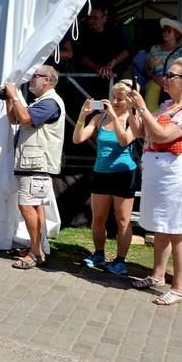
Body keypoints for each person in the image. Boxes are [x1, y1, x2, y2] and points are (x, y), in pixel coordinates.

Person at [126, 57, 182, 305]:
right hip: (156, 169)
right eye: (167, 74)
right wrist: (132, 109)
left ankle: (179, 288)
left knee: (176, 229)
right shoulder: (166, 105)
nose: (165, 78)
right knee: (160, 225)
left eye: (171, 75)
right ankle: (157, 275)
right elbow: (142, 133)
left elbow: (162, 134)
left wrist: (142, 108)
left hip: (175, 172)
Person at [72, 80, 139, 275]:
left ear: (129, 100)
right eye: (113, 97)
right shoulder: (100, 118)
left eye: (120, 98)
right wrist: (82, 116)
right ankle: (99, 253)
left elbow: (124, 140)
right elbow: (77, 139)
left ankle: (120, 260)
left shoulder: (132, 119)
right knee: (98, 217)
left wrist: (114, 117)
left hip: (124, 174)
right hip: (101, 172)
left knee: (122, 220)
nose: (116, 101)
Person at [3, 65, 65, 269]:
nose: (31, 79)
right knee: (35, 207)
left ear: (47, 80)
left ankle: (35, 253)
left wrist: (15, 95)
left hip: (37, 163)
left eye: (35, 76)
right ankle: (36, 248)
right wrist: (8, 98)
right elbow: (14, 119)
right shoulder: (40, 102)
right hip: (31, 161)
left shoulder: (50, 103)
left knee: (27, 206)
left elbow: (26, 118)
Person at [77, 7, 130, 98]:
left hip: (113, 79)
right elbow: (81, 56)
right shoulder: (83, 33)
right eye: (90, 18)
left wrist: (112, 63)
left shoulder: (115, 32)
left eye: (95, 18)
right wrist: (98, 69)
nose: (91, 21)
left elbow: (126, 51)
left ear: (104, 19)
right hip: (88, 81)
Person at [144, 18, 182, 112]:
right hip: (154, 85)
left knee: (169, 115)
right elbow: (146, 67)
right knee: (150, 114)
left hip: (173, 87)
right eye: (164, 31)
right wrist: (154, 77)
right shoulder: (155, 48)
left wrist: (168, 80)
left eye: (169, 31)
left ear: (176, 34)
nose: (165, 33)